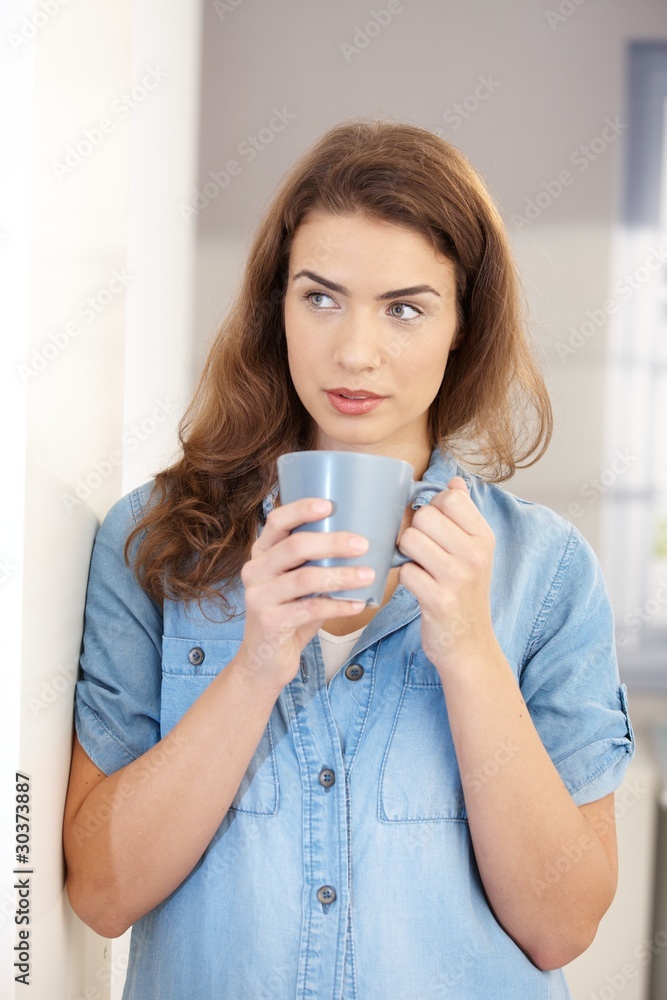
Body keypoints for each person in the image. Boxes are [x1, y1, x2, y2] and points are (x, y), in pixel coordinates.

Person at [63, 118, 635, 1000]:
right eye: (319, 298)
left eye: (406, 307)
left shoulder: (546, 570)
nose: (354, 352)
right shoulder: (155, 540)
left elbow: (560, 924)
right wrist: (255, 665)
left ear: (460, 326)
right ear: (275, 307)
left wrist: (473, 654)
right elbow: (100, 894)